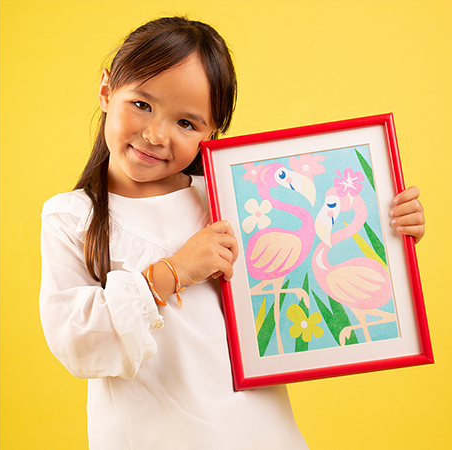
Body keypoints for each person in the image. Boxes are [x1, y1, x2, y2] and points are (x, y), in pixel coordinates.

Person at [39, 17, 427, 449]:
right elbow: (76, 341)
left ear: (211, 133)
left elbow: (317, 262)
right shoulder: (73, 218)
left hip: (257, 434)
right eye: (142, 104)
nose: (155, 134)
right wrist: (174, 270)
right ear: (107, 90)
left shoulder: (229, 199)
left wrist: (389, 226)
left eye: (187, 123)